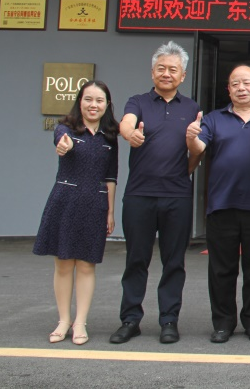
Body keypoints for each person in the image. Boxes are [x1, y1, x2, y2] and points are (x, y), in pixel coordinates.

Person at [111, 41, 201, 345]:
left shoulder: (191, 108)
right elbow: (125, 124)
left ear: (182, 75)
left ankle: (169, 320)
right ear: (152, 72)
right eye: (161, 68)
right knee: (136, 259)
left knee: (174, 262)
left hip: (177, 196)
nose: (166, 73)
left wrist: (187, 164)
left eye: (173, 69)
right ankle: (130, 320)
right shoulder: (137, 102)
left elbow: (196, 153)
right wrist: (131, 135)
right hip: (140, 194)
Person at [186, 65, 250, 344]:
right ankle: (223, 322)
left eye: (247, 83)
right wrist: (191, 138)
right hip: (221, 204)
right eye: (235, 83)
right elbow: (199, 148)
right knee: (221, 269)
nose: (241, 88)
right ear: (228, 89)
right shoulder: (214, 119)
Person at [34, 81, 119, 346]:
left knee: (86, 264)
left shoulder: (110, 136)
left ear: (107, 105)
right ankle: (63, 320)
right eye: (88, 99)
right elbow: (62, 142)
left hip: (95, 204)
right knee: (63, 263)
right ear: (79, 101)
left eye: (99, 101)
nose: (94, 105)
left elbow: (111, 177)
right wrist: (64, 145)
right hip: (65, 202)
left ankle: (80, 322)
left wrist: (110, 212)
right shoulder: (65, 128)